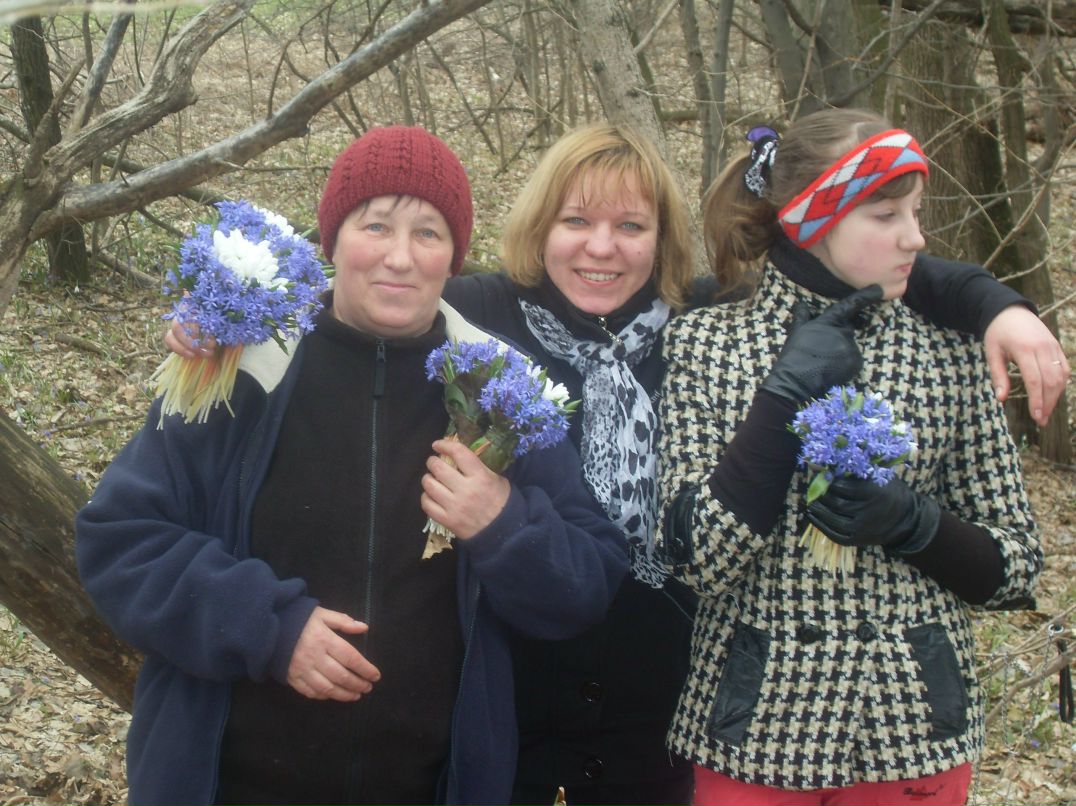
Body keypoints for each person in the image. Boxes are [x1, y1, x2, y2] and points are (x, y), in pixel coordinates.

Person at [164, 121, 1067, 806]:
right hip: (509, 704)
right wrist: (226, 321)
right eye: (576, 221)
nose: (602, 248)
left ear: (662, 240)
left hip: (671, 706)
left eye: (631, 225)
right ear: (538, 228)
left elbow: (842, 264)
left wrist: (994, 303)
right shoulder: (484, 320)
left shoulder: (698, 322)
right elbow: (374, 288)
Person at [75, 125, 629, 806]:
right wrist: (269, 627)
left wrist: (503, 523)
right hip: (229, 782)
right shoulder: (244, 366)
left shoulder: (503, 394)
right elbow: (120, 539)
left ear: (454, 257)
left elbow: (587, 583)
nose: (400, 257)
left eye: (428, 233)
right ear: (332, 240)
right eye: (376, 226)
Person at [657, 108, 1047, 806]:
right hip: (756, 727)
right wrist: (780, 401)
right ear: (812, 219)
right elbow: (695, 559)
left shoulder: (949, 348)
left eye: (916, 213)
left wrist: (914, 526)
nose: (916, 237)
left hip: (911, 728)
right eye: (886, 215)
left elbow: (1014, 566)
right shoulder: (705, 344)